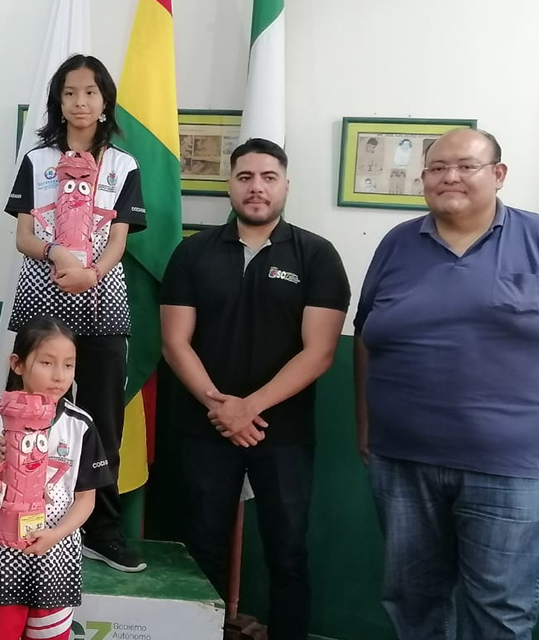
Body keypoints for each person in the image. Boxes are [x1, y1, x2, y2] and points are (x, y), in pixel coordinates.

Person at [355, 128, 539, 640]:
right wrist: (364, 425)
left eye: (466, 166)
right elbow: (367, 335)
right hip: (403, 461)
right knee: (413, 605)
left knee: (499, 614)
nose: (449, 176)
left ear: (497, 175)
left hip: (514, 469)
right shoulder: (397, 243)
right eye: (436, 168)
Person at [160, 138, 350, 640]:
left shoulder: (317, 256)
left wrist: (248, 408)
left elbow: (320, 352)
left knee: (288, 550)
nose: (257, 187)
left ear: (285, 185)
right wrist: (221, 409)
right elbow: (175, 342)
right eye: (245, 177)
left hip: (282, 433)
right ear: (231, 184)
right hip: (206, 427)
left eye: (268, 177)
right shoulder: (193, 252)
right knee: (201, 545)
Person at [4, 54, 147, 572]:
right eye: (69, 92)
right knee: (28, 409)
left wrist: (94, 271)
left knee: (102, 419)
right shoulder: (37, 160)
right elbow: (24, 235)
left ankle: (101, 527)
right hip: (43, 300)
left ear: (105, 100)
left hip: (104, 301)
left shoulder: (124, 166)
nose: (80, 102)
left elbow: (119, 238)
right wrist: (56, 255)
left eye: (90, 92)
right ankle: (15, 508)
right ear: (58, 101)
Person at [0, 316, 113, 640]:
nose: (59, 376)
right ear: (17, 364)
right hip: (1, 558)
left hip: (55, 556)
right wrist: (4, 459)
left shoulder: (80, 425)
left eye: (69, 365)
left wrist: (56, 534)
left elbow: (86, 498)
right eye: (47, 362)